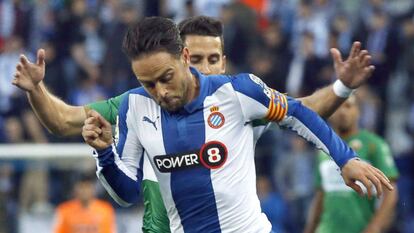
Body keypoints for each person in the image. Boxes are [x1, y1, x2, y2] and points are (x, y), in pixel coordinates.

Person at [12, 16, 376, 233]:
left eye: (165, 77)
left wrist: (344, 157)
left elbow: (300, 112)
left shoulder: (239, 94)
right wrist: (104, 152)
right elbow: (125, 192)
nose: (159, 91)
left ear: (182, 59)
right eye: (147, 82)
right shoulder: (133, 107)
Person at [304, 96, 399, 233]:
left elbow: (391, 192)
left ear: (358, 111)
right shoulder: (322, 149)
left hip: (359, 228)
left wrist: (375, 227)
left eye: (348, 106)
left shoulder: (374, 144)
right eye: (337, 108)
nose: (343, 112)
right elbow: (321, 194)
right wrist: (310, 228)